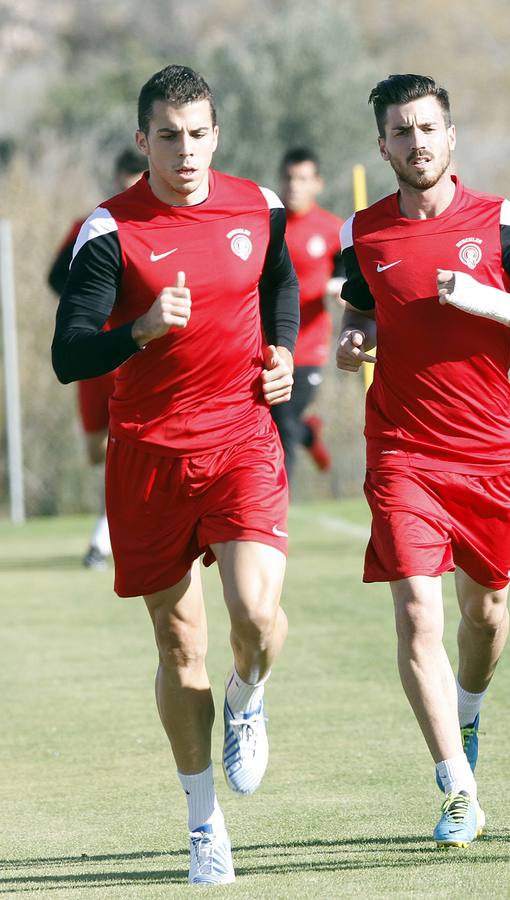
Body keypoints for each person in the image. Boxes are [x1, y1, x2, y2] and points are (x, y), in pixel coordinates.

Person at [51, 65, 299, 885]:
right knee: (177, 642)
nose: (185, 152)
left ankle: (249, 694)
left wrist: (284, 355)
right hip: (148, 456)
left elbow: (280, 284)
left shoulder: (258, 205)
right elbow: (68, 354)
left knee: (258, 615)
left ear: (216, 134)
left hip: (240, 440)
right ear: (142, 141)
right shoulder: (109, 231)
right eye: (168, 136)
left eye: (198, 135)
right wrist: (142, 330)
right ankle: (203, 826)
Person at [334, 74, 510, 850]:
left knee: (485, 615)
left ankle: (467, 710)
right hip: (402, 452)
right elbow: (361, 309)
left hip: (486, 456)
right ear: (383, 145)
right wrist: (355, 343)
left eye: (428, 129)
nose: (416, 144)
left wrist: (491, 302)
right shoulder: (365, 232)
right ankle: (456, 787)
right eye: (401, 132)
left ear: (452, 136)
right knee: (417, 613)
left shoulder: (503, 224)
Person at [48, 148, 145, 570]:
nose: (132, 183)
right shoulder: (95, 225)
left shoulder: (152, 226)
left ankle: (103, 539)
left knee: (123, 444)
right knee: (96, 450)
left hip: (130, 350)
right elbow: (55, 276)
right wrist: (88, 305)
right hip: (93, 351)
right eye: (127, 176)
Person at [273, 146, 343, 478]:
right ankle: (309, 434)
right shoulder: (268, 225)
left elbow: (347, 281)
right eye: (288, 178)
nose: (294, 186)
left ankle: (273, 516)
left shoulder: (333, 230)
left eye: (302, 178)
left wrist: (343, 291)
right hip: (269, 344)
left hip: (308, 348)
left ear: (317, 183)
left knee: (284, 422)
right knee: (270, 423)